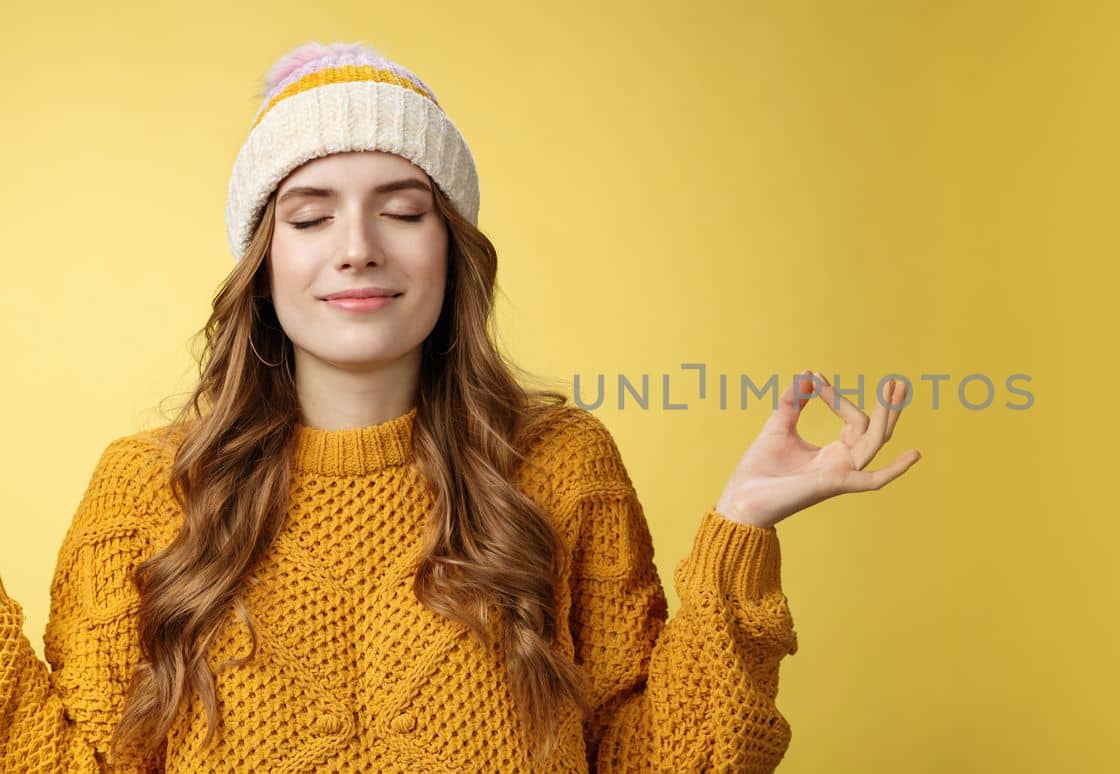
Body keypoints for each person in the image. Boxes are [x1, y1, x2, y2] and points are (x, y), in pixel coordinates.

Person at [0, 40, 920, 772]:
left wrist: (742, 531)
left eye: (402, 210)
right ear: (262, 264)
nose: (356, 248)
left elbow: (665, 760)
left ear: (454, 250)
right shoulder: (146, 490)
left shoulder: (559, 464)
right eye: (310, 216)